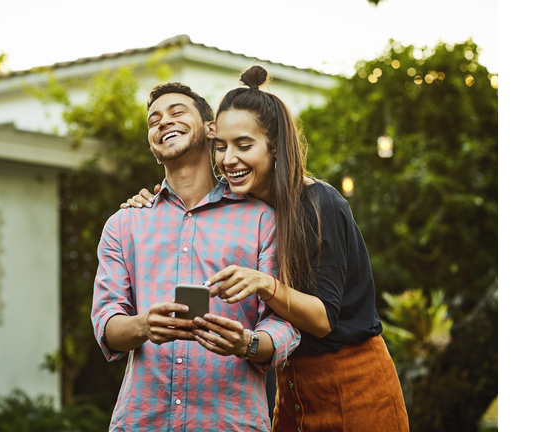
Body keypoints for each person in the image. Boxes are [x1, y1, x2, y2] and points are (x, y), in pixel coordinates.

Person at [122, 66, 410, 432]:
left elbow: (323, 320)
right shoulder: (252, 209)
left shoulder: (318, 202)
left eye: (244, 145)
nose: (229, 160)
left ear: (274, 147)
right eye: (222, 147)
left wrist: (264, 284)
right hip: (290, 382)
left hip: (351, 377)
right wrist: (152, 201)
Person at [91, 82, 301, 432]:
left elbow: (284, 325)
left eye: (176, 112)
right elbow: (106, 324)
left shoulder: (262, 220)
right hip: (141, 422)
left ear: (210, 129)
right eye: (153, 120)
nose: (162, 122)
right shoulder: (124, 224)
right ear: (152, 146)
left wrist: (246, 343)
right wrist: (143, 325)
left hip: (231, 422)